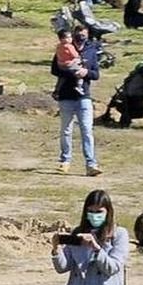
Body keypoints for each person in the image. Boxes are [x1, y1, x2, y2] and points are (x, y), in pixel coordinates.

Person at [52, 28, 101, 176]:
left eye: (84, 36)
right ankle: (65, 161)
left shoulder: (91, 51)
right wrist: (71, 72)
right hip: (66, 95)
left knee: (87, 130)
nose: (81, 38)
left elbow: (96, 74)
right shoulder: (65, 48)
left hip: (84, 96)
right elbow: (55, 70)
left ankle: (91, 164)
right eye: (79, 35)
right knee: (66, 130)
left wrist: (86, 73)